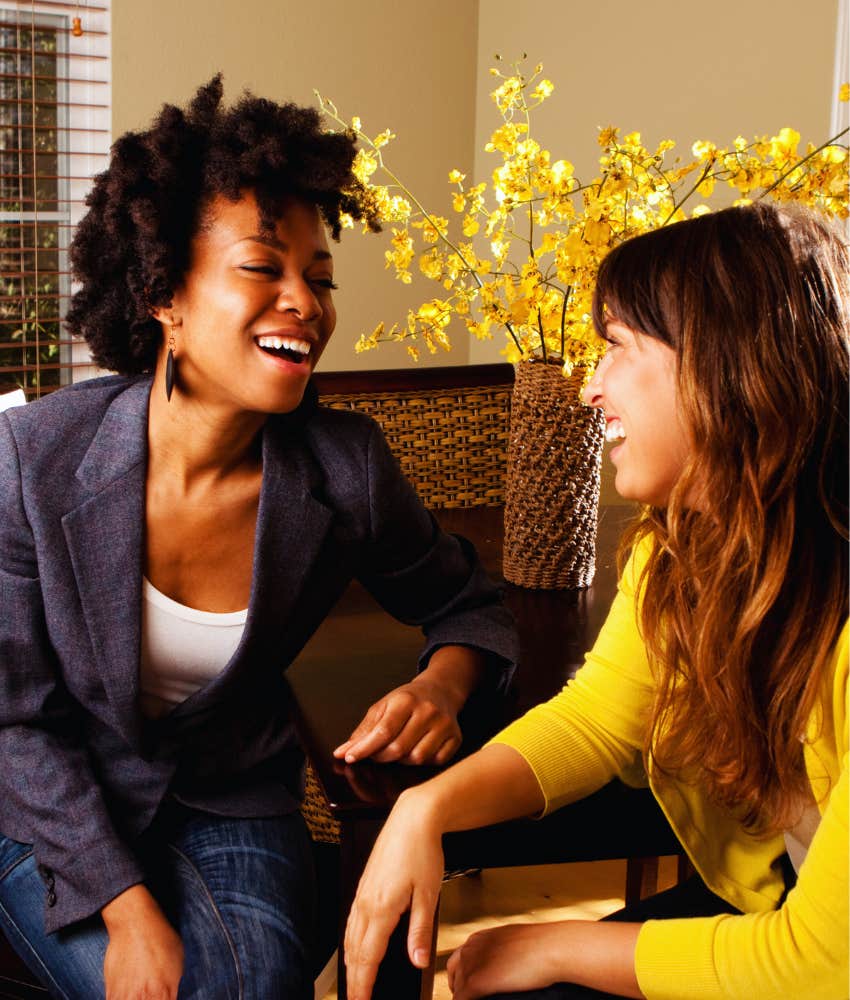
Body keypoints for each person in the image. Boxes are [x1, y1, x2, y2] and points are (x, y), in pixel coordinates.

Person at [0, 76, 518, 1000]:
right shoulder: (31, 459)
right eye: (262, 268)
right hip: (48, 807)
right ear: (165, 292)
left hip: (227, 796)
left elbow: (466, 602)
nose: (305, 304)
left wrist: (444, 681)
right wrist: (124, 906)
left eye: (319, 280)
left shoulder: (345, 470)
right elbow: (15, 720)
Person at [343, 201, 848, 1000]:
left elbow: (825, 965)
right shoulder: (677, 552)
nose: (590, 387)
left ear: (725, 368)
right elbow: (597, 720)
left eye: (615, 347)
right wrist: (428, 809)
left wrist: (557, 945)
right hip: (772, 913)